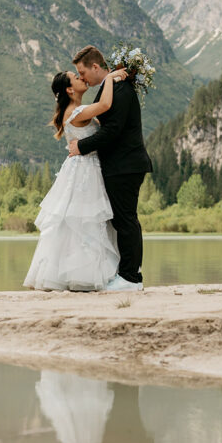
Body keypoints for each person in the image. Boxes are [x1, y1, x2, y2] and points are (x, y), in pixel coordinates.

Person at [23, 66, 126, 292]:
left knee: (79, 222)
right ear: (70, 90)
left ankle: (75, 273)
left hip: (82, 167)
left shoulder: (75, 109)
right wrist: (109, 78)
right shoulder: (75, 111)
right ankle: (82, 275)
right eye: (75, 77)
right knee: (83, 221)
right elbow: (105, 106)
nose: (80, 78)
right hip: (84, 171)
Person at [68, 45, 152, 292]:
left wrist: (80, 146)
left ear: (96, 66)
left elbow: (112, 131)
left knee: (126, 220)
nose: (82, 78)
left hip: (125, 164)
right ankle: (125, 274)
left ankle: (131, 278)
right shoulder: (112, 86)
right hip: (120, 164)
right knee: (121, 220)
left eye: (82, 72)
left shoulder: (120, 87)